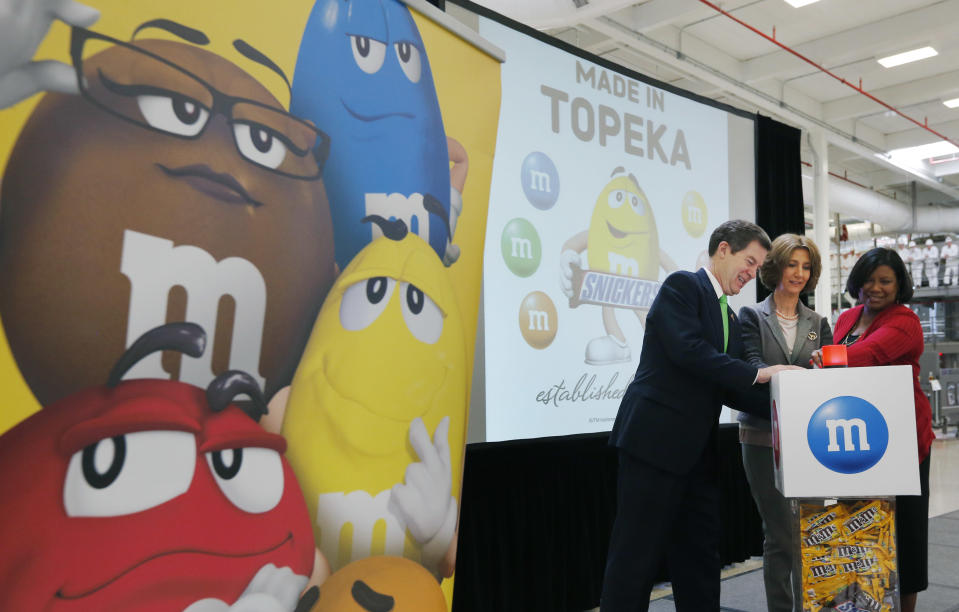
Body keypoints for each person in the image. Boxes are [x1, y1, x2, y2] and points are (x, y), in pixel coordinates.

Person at [601, 220, 801, 611]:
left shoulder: (728, 316)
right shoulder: (682, 286)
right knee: (635, 556)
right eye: (750, 261)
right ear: (723, 250)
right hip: (653, 445)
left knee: (699, 555)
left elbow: (731, 387)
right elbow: (688, 350)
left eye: (758, 268)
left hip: (697, 454)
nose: (752, 273)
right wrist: (760, 372)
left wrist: (792, 406)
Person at [811, 247, 934, 612]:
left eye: (885, 281)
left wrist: (828, 358)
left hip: (905, 442)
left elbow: (872, 354)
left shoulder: (905, 320)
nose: (875, 288)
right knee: (862, 531)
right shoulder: (848, 316)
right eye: (868, 280)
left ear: (899, 285)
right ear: (856, 282)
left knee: (906, 535)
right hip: (858, 440)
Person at [738, 234, 833, 612]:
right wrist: (795, 374)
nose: (799, 273)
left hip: (809, 438)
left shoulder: (819, 323)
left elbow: (826, 377)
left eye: (806, 266)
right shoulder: (751, 316)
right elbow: (750, 369)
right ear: (775, 266)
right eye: (792, 264)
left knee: (808, 530)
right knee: (779, 535)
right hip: (762, 436)